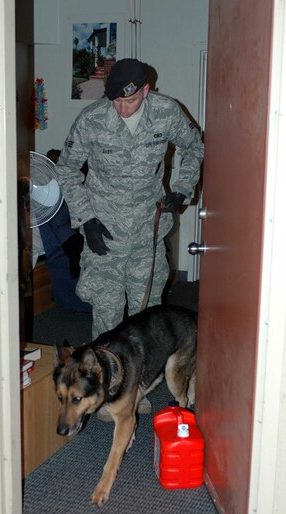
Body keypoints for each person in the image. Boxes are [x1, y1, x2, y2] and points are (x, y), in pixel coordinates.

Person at [56, 58, 204, 340]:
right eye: (116, 101)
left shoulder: (166, 112)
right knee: (107, 312)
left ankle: (143, 377)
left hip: (147, 231)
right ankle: (107, 377)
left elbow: (194, 147)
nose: (122, 108)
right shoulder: (92, 119)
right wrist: (86, 219)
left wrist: (182, 189)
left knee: (147, 314)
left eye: (130, 101)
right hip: (104, 232)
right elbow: (66, 169)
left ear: (146, 91)